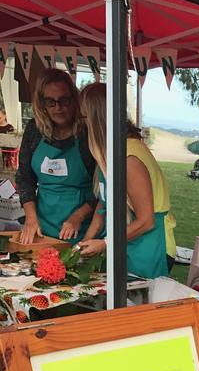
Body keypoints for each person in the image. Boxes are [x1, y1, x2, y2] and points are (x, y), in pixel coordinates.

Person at [76, 83, 176, 278]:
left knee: (138, 308)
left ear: (97, 119)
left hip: (149, 249)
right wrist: (83, 245)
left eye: (83, 117)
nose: (81, 125)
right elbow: (102, 206)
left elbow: (146, 221)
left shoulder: (128, 159)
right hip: (127, 246)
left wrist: (105, 243)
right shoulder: (109, 153)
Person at [16, 69, 96, 244]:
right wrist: (30, 218)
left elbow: (102, 189)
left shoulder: (87, 133)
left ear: (74, 100)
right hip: (41, 229)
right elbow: (24, 178)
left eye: (64, 100)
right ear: (41, 103)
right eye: (50, 102)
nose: (58, 108)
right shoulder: (34, 130)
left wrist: (78, 216)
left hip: (83, 231)